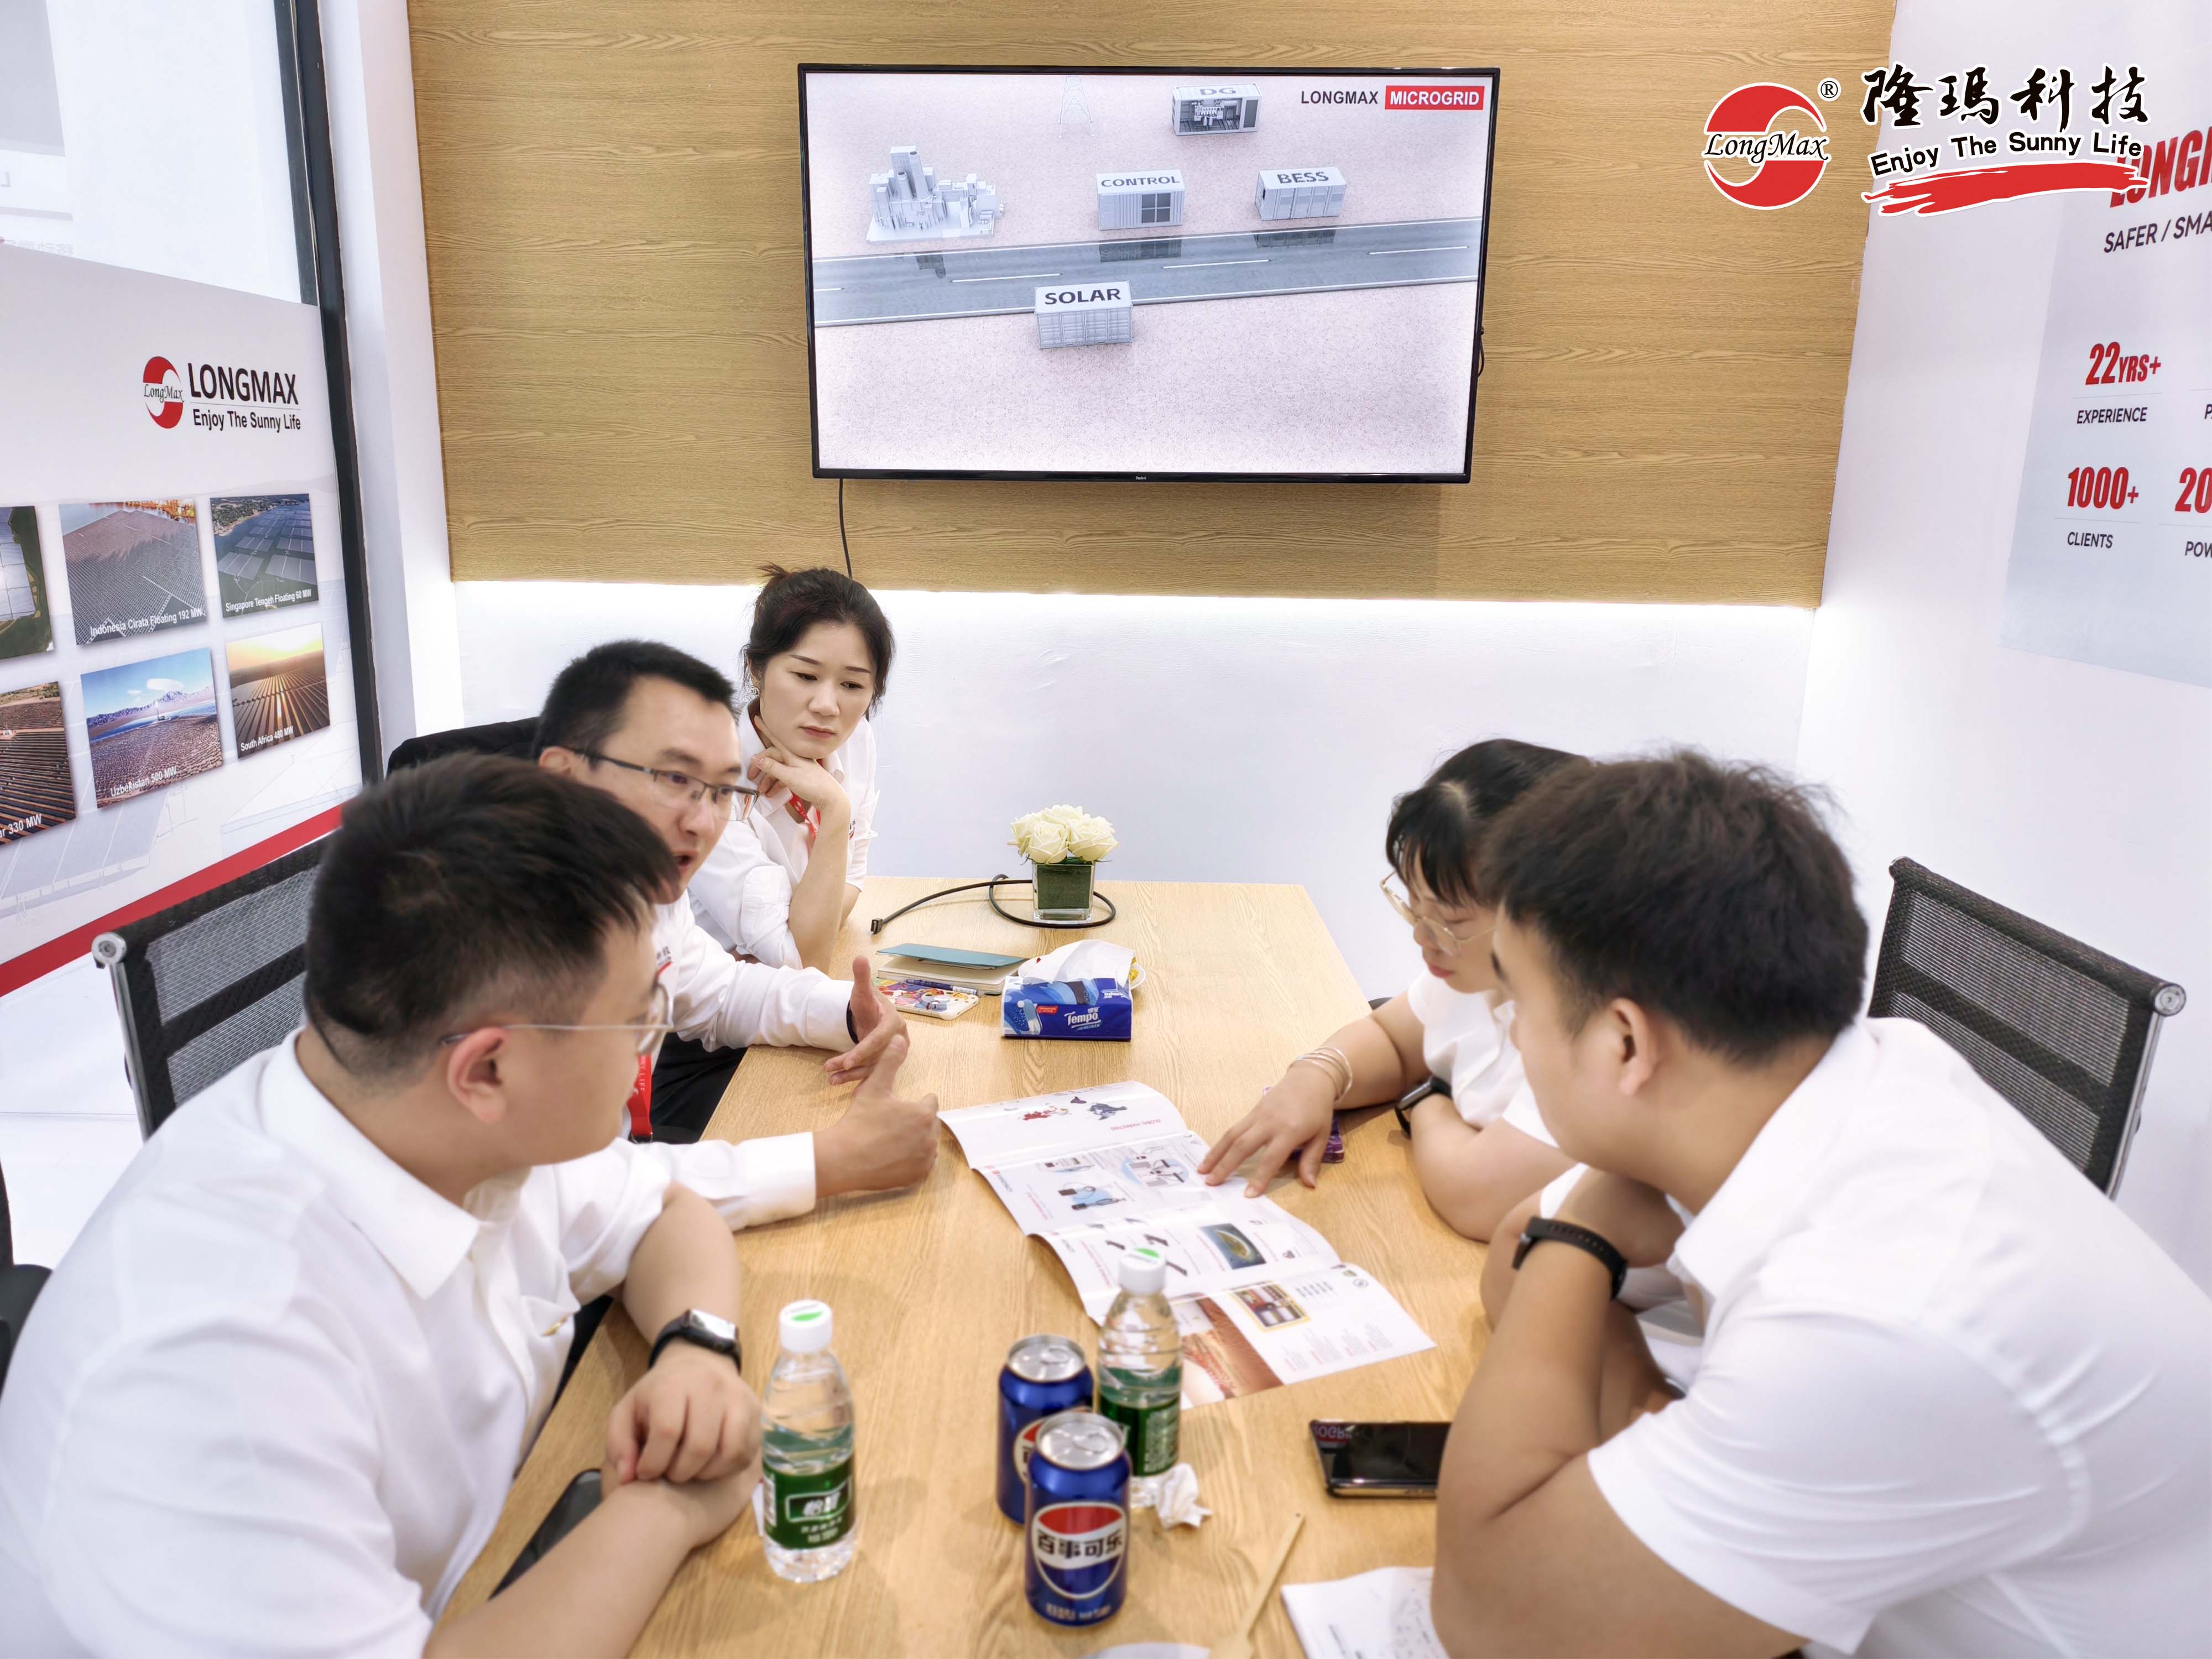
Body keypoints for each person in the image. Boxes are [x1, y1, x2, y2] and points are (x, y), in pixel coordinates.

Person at [0, 756, 933, 1657]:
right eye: (638, 1017)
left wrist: (696, 1350)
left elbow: (664, 1210)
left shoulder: (424, 1118)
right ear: (487, 1069)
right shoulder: (219, 1362)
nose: (649, 1045)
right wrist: (668, 1508)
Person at [1431, 753, 2212, 1659]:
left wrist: (1578, 1240)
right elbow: (1511, 1260)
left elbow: (1493, 1619)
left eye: (1517, 1002)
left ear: (1625, 1043)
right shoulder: (1867, 1064)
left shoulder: (1880, 1315)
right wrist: (1642, 1391)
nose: (1513, 1033)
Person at [531, 639, 915, 1155]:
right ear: (566, 776)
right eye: (675, 779)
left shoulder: (644, 890)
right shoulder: (497, 939)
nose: (704, 823)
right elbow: (575, 1184)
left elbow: (719, 995)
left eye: (721, 791)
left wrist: (847, 1011)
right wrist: (822, 1161)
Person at [1198, 740, 1581, 1241]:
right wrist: (1317, 1074)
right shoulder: (1476, 974)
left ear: (1546, 912)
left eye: (1450, 921)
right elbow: (1392, 1038)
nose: (1421, 937)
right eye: (1413, 905)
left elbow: (1477, 1198)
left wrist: (1426, 1101)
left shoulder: (1591, 1032)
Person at [689, 564, 891, 973]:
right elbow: (805, 964)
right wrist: (836, 811)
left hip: (774, 995)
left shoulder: (855, 740)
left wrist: (832, 803)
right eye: (805, 675)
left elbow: (851, 882)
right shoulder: (705, 785)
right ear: (756, 668)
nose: (827, 706)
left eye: (852, 685)